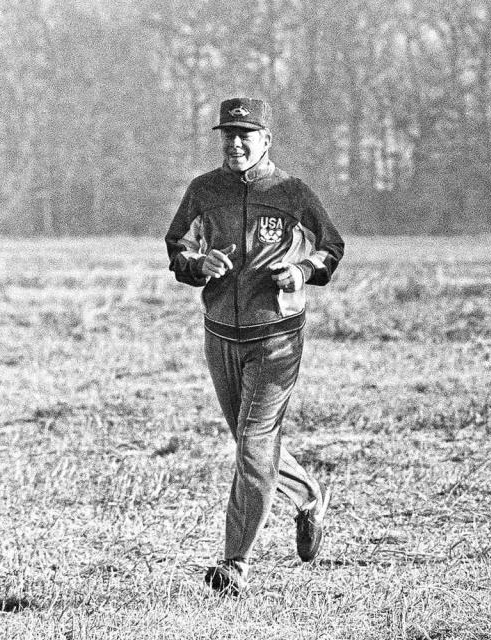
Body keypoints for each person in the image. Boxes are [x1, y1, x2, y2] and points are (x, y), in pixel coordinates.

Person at [165, 97, 345, 595]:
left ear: (266, 140)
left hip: (276, 337)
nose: (236, 143)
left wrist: (302, 270)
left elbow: (332, 246)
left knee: (254, 446)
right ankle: (309, 495)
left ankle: (234, 564)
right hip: (220, 332)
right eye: (228, 134)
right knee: (248, 445)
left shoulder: (291, 192)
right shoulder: (204, 190)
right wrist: (197, 265)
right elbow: (176, 244)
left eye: (247, 134)